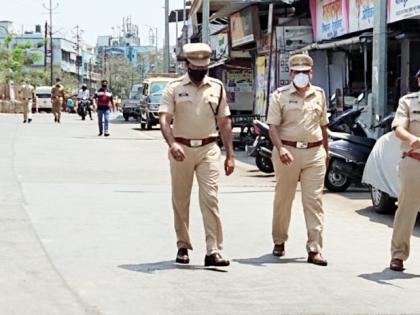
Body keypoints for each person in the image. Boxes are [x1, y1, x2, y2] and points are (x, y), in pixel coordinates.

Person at [159, 43, 234, 267]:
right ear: (187, 65)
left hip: (209, 148)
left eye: (204, 68)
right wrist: (171, 143)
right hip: (181, 149)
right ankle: (183, 245)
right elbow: (164, 119)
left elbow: (224, 122)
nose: (200, 72)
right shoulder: (174, 88)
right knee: (181, 199)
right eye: (196, 67)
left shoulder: (217, 87)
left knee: (210, 198)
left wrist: (230, 155)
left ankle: (213, 250)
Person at [267, 53, 329, 266]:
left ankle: (315, 248)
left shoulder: (319, 94)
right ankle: (279, 240)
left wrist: (325, 151)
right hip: (288, 153)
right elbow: (273, 127)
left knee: (314, 201)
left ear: (311, 73)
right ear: (291, 74)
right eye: (297, 72)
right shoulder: (279, 95)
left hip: (314, 153)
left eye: (305, 72)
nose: (301, 75)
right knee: (284, 199)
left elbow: (323, 125)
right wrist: (281, 148)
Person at [388, 69, 420, 272]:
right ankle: (398, 255)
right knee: (407, 209)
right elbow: (398, 128)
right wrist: (412, 139)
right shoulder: (408, 102)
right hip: (414, 161)